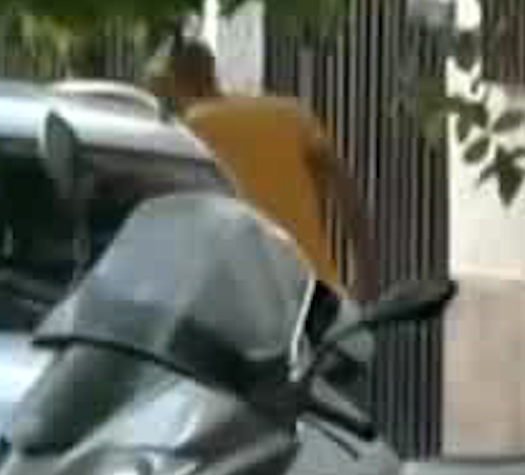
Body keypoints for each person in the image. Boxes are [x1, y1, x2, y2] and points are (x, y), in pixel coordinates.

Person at [151, 37, 378, 300]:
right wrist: (365, 274)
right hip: (312, 290)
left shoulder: (185, 134)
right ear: (212, 70)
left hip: (237, 300)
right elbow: (346, 190)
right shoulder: (289, 114)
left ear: (169, 85)